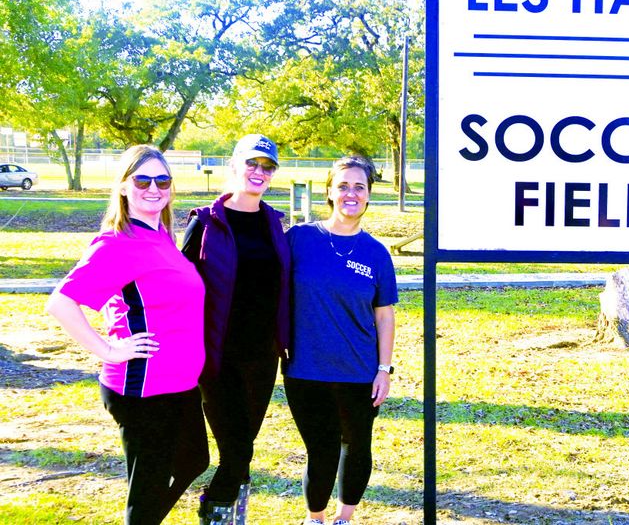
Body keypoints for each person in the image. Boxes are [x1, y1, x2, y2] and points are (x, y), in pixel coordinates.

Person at [45, 145, 208, 524]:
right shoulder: (117, 243)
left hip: (179, 383)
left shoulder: (161, 234)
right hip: (143, 388)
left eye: (162, 180)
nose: (154, 188)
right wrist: (108, 350)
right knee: (147, 490)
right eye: (142, 179)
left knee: (194, 460)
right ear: (122, 186)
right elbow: (61, 303)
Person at [182, 134, 291, 524]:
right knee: (237, 450)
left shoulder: (274, 224)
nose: (259, 172)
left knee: (245, 445)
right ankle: (213, 513)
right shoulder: (206, 222)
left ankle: (233, 517)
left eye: (267, 167)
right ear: (234, 166)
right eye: (252, 164)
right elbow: (181, 285)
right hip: (217, 357)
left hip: (262, 358)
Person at [283, 156, 398, 525]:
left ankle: (344, 518)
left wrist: (383, 369)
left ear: (368, 196)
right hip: (305, 370)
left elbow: (384, 315)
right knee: (321, 448)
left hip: (359, 371)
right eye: (344, 186)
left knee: (357, 446)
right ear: (330, 191)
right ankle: (314, 519)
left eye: (359, 187)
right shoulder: (299, 239)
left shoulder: (377, 253)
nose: (351, 193)